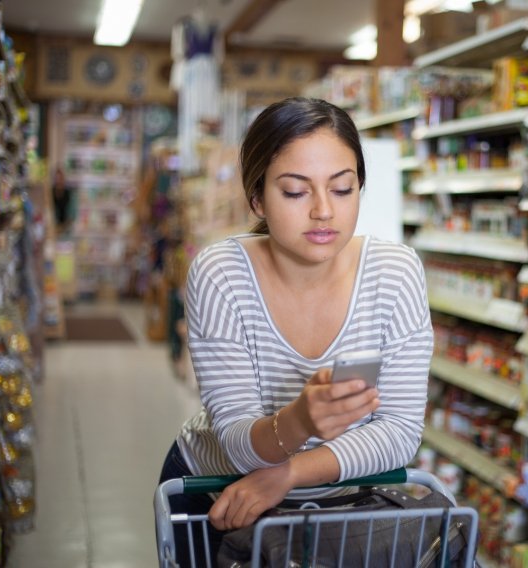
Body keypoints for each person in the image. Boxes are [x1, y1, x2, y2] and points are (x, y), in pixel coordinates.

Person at [158, 97, 433, 565]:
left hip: (343, 499)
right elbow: (238, 441)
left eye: (343, 189)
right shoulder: (221, 274)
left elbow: (400, 431)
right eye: (295, 191)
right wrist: (302, 420)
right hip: (220, 492)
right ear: (257, 197)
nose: (324, 210)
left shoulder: (396, 273)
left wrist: (289, 474)